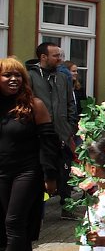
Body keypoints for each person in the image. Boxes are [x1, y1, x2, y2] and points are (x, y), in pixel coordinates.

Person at [0, 58, 59, 251]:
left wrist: (51, 176)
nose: (13, 79)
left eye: (18, 76)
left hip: (28, 171)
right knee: (11, 221)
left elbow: (49, 144)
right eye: (7, 75)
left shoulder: (35, 105)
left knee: (14, 222)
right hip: (2, 171)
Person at [27, 42, 75, 219]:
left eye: (60, 55)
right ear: (43, 57)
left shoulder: (62, 77)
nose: (60, 59)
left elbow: (71, 103)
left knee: (65, 171)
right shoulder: (31, 76)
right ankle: (38, 211)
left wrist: (70, 126)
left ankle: (67, 207)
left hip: (62, 132)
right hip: (40, 134)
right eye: (55, 56)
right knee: (42, 173)